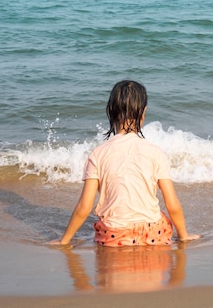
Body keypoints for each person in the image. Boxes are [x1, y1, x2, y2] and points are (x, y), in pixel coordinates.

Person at [50, 80, 199, 247]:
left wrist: (64, 241)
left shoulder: (98, 154)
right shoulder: (155, 152)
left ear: (111, 112)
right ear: (143, 113)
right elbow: (172, 205)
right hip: (153, 234)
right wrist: (184, 236)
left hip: (114, 235)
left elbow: (84, 207)